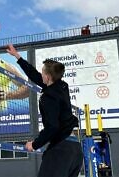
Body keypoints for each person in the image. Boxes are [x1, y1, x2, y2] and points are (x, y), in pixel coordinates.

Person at [6, 44, 83, 177]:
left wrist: (35, 144)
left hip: (61, 148)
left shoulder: (49, 97)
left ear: (47, 77)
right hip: (75, 149)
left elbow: (52, 127)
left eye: (43, 73)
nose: (40, 74)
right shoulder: (62, 86)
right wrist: (18, 57)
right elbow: (34, 75)